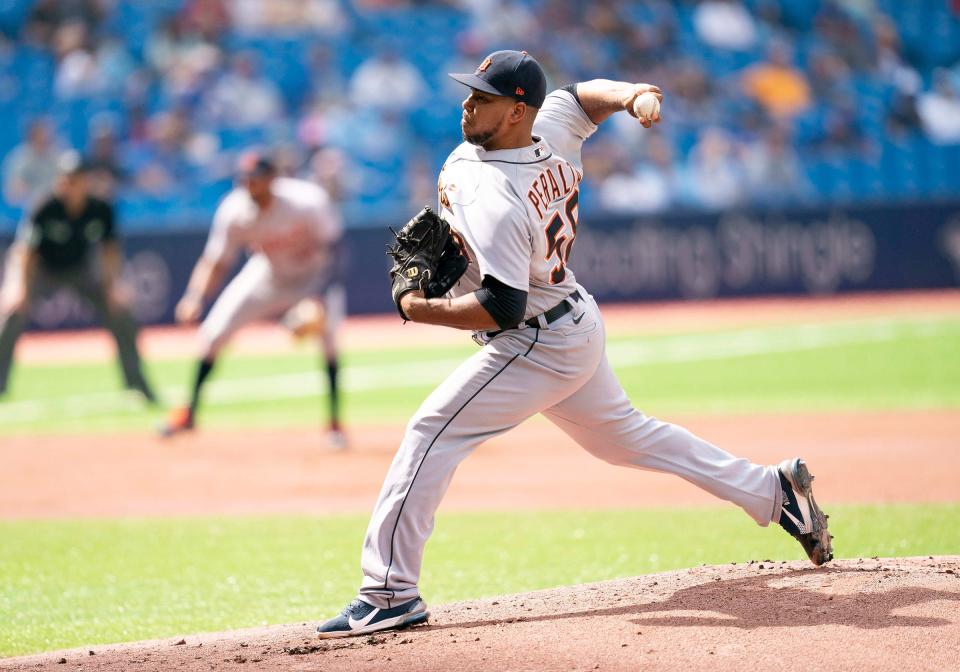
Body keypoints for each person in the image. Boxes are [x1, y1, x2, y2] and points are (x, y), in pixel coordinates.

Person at [315, 50, 833, 639]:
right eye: (469, 92)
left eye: (482, 97)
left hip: (534, 340)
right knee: (626, 438)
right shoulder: (545, 129)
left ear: (515, 111)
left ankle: (388, 593)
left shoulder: (495, 192)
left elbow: (502, 308)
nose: (467, 103)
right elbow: (583, 95)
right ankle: (773, 490)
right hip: (572, 321)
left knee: (431, 432)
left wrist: (419, 308)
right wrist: (634, 92)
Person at [159, 152, 346, 447]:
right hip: (268, 274)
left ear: (272, 179)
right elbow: (216, 261)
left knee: (330, 339)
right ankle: (189, 413)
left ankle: (335, 426)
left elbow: (336, 250)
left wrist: (319, 298)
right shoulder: (234, 210)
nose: (249, 185)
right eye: (244, 179)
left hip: (314, 278)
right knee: (212, 334)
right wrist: (194, 296)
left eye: (255, 179)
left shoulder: (306, 201)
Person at [0, 151, 157, 402]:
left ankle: (137, 385)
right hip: (42, 269)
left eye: (75, 179)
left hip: (80, 269)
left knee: (122, 314)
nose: (69, 185)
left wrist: (113, 285)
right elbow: (25, 252)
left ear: (86, 182)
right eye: (65, 179)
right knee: (11, 315)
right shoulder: (45, 206)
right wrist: (18, 288)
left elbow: (109, 250)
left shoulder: (101, 209)